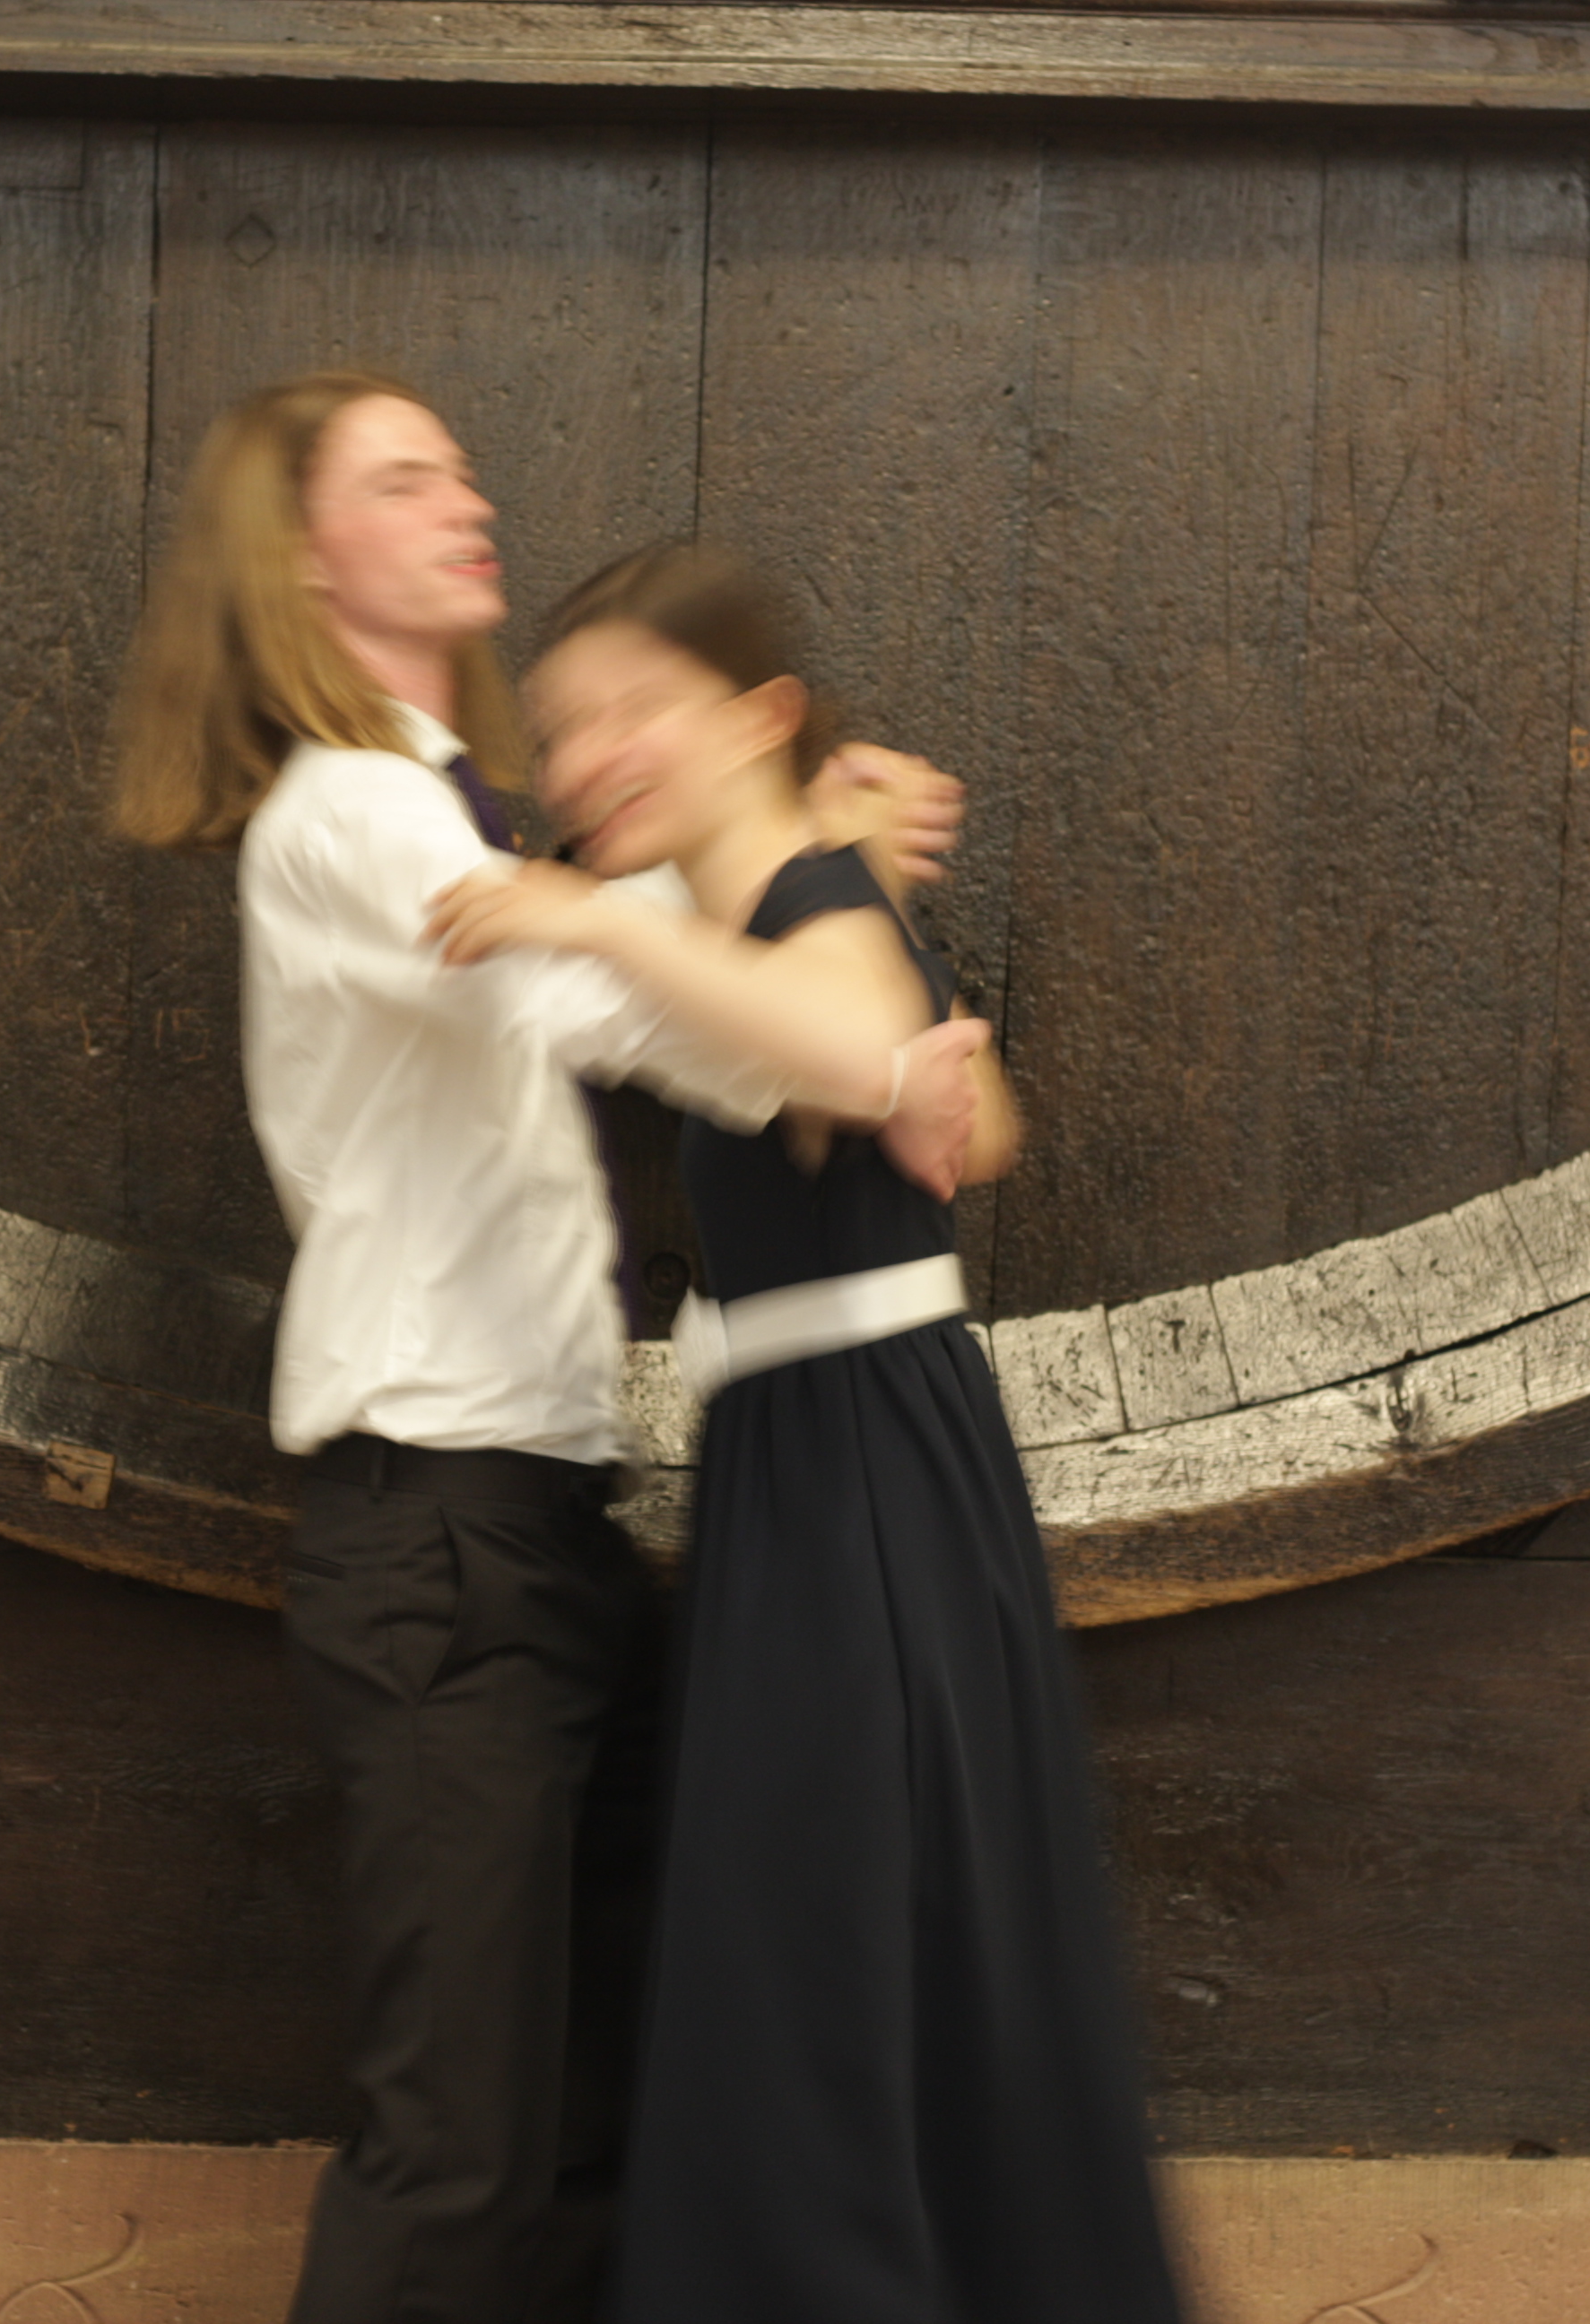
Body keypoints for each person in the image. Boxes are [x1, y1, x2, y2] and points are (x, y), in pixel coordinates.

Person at [109, 372, 986, 2324]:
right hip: (434, 1539)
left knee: (591, 2132)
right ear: (297, 559)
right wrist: (792, 849)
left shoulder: (470, 821)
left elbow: (678, 1016)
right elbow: (593, 982)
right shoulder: (355, 813)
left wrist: (816, 918)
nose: (465, 498)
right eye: (403, 479)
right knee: (463, 2155)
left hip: (534, 1537)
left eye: (459, 467)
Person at [429, 542, 1184, 2324]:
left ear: (758, 715)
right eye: (561, 729)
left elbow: (871, 1060)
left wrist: (604, 918)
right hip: (816, 1458)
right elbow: (929, 1093)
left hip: (866, 1471)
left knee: (824, 1942)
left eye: (632, 710)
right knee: (833, 1937)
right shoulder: (772, 899)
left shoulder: (804, 900)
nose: (586, 759)